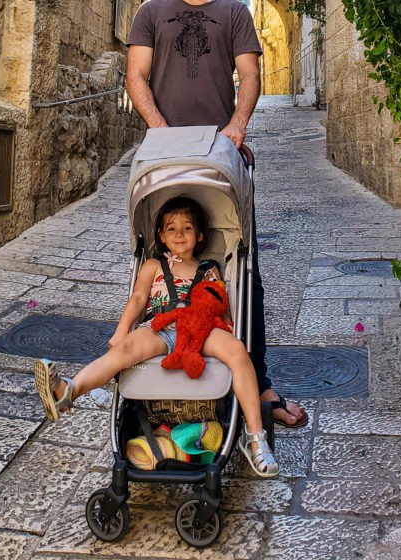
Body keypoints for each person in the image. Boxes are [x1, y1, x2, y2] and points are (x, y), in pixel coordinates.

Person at [125, 0, 308, 429]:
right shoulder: (150, 13)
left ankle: (259, 380)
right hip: (165, 159)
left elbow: (249, 74)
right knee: (157, 258)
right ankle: (155, 374)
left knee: (241, 265)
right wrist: (160, 131)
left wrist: (236, 129)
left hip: (221, 158)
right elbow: (135, 76)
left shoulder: (233, 14)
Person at [35, 197, 279, 478]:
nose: (179, 234)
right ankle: (68, 391)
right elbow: (138, 297)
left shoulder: (209, 268)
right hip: (161, 326)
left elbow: (219, 302)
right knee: (124, 351)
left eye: (187, 228)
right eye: (171, 229)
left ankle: (255, 436)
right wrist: (121, 330)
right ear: (161, 236)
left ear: (199, 235)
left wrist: (228, 327)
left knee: (237, 351)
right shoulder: (153, 265)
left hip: (201, 329)